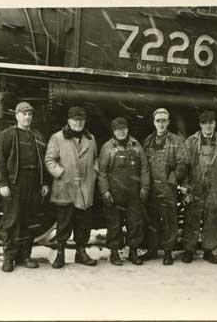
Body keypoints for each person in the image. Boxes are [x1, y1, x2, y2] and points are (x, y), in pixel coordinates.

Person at [0, 101, 50, 272]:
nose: (27, 117)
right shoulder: (7, 135)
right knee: (12, 221)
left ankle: (26, 255)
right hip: (15, 182)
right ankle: (9, 258)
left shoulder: (37, 136)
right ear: (16, 115)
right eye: (24, 114)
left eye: (30, 114)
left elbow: (44, 161)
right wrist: (3, 183)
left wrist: (45, 181)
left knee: (29, 221)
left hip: (33, 183)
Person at [45, 106, 98, 268]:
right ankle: (60, 254)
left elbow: (96, 159)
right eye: (75, 120)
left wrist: (93, 173)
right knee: (64, 223)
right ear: (69, 121)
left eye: (81, 120)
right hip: (65, 188)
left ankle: (81, 253)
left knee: (83, 224)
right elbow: (50, 160)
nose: (78, 123)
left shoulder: (91, 139)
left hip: (84, 189)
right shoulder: (57, 138)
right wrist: (62, 173)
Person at [181, 110, 217, 264]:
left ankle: (208, 250)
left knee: (212, 218)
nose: (208, 126)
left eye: (211, 123)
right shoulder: (191, 141)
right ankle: (188, 250)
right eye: (205, 123)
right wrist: (185, 187)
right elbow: (184, 166)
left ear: (215, 124)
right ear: (200, 125)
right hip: (195, 186)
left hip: (214, 186)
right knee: (191, 217)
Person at [98, 117, 149, 266]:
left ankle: (133, 251)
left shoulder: (135, 145)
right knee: (114, 223)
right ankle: (114, 253)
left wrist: (145, 187)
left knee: (135, 222)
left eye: (124, 129)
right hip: (115, 193)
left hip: (134, 192)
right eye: (118, 129)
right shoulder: (107, 147)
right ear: (113, 131)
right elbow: (102, 172)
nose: (121, 132)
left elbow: (145, 167)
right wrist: (105, 191)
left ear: (128, 129)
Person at [141, 108, 188, 265]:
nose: (161, 124)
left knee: (169, 219)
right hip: (152, 186)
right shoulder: (148, 140)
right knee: (152, 219)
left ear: (168, 122)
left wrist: (173, 178)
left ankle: (168, 251)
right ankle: (152, 249)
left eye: (164, 121)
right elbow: (143, 164)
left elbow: (183, 162)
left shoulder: (175, 141)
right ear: (154, 122)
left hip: (168, 187)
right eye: (158, 121)